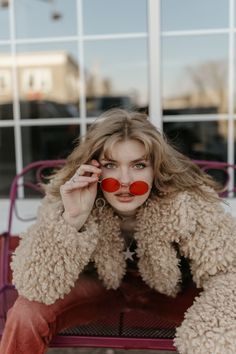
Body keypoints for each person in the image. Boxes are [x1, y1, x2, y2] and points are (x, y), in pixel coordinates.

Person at [1, 109, 236, 354]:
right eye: (111, 165)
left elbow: (230, 273)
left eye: (139, 165)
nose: (124, 180)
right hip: (103, 287)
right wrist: (71, 219)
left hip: (170, 292)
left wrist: (212, 335)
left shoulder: (187, 203)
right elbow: (34, 285)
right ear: (94, 169)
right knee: (26, 312)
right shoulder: (70, 196)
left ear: (155, 170)